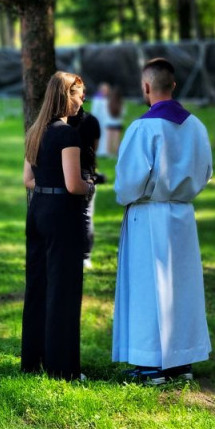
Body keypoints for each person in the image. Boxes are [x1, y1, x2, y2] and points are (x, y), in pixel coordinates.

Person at [113, 58, 213, 385]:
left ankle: (153, 363)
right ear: (173, 85)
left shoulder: (144, 128)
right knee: (180, 289)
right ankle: (181, 361)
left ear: (146, 87)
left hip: (149, 212)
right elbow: (206, 172)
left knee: (149, 288)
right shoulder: (196, 126)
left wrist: (126, 196)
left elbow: (129, 180)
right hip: (182, 214)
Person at [21, 72, 94, 381]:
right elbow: (73, 184)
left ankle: (33, 360)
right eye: (80, 94)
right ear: (67, 95)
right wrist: (89, 185)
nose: (83, 100)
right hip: (61, 214)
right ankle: (62, 368)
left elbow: (27, 179)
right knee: (63, 289)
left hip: (37, 208)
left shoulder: (35, 131)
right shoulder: (67, 134)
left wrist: (47, 187)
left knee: (38, 286)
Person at [67, 102, 101, 270]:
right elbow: (94, 149)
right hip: (87, 173)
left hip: (65, 174)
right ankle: (85, 255)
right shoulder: (92, 121)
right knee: (86, 216)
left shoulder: (60, 123)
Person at [105, 86, 125, 157]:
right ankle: (116, 154)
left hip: (109, 123)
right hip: (117, 124)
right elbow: (123, 113)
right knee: (117, 140)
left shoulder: (109, 102)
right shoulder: (121, 103)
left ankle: (108, 153)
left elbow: (106, 112)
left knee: (109, 139)